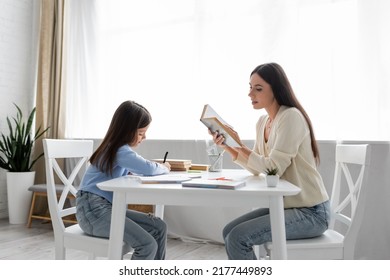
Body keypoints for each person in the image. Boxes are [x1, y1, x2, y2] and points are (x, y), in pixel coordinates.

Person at [210, 63, 330, 260]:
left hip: (312, 213)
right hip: (287, 206)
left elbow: (273, 168)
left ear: (277, 89)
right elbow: (258, 168)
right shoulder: (263, 122)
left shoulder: (291, 116)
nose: (250, 94)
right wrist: (228, 145)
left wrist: (239, 145)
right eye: (250, 87)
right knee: (228, 232)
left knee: (237, 238)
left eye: (258, 89)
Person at [76, 100, 171, 260]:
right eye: (141, 133)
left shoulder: (116, 149)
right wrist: (165, 167)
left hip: (103, 209)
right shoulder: (120, 150)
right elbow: (147, 168)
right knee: (147, 245)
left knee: (158, 227)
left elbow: (139, 169)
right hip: (93, 213)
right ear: (127, 131)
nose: (144, 137)